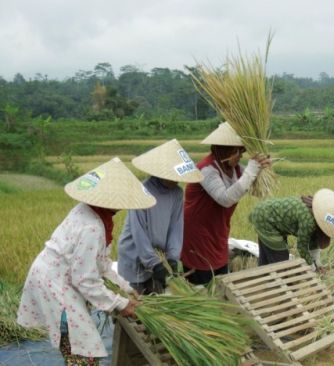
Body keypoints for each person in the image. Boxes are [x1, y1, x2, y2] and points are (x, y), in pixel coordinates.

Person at [17, 157, 155, 365]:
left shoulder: (92, 212)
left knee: (80, 349)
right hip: (57, 286)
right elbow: (85, 280)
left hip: (60, 279)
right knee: (82, 355)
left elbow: (101, 265)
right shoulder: (92, 227)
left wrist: (126, 289)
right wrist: (121, 303)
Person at [181, 122, 270, 285]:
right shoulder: (206, 169)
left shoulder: (235, 169)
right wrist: (251, 171)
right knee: (204, 279)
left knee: (221, 274)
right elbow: (225, 199)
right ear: (225, 150)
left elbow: (258, 191)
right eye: (237, 151)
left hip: (218, 230)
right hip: (198, 233)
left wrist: (263, 171)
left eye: (241, 151)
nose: (240, 155)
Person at [118, 139, 203, 294]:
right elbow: (139, 233)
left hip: (159, 256)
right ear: (160, 172)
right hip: (135, 255)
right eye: (171, 175)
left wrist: (172, 257)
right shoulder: (142, 191)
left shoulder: (176, 193)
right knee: (135, 303)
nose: (175, 180)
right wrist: (154, 263)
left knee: (158, 301)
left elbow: (176, 228)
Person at [249, 188, 334, 272]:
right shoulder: (309, 221)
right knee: (281, 259)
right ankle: (280, 289)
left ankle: (264, 281)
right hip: (265, 218)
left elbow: (312, 243)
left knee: (267, 257)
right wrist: (312, 268)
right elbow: (302, 247)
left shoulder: (316, 214)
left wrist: (318, 264)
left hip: (270, 217)